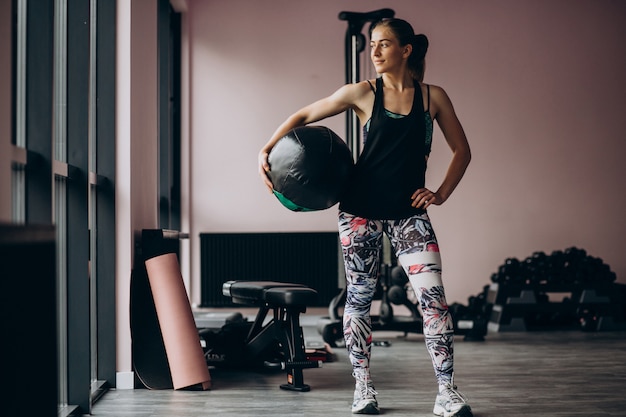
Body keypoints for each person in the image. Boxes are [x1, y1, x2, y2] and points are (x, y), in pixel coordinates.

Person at [258, 18, 472, 417]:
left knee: (434, 302)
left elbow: (462, 150)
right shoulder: (362, 93)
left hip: (409, 215)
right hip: (360, 213)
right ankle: (363, 388)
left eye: (384, 44)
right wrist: (265, 150)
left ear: (406, 51)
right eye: (372, 44)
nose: (374, 52)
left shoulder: (433, 97)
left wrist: (440, 193)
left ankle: (447, 392)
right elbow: (305, 114)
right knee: (359, 299)